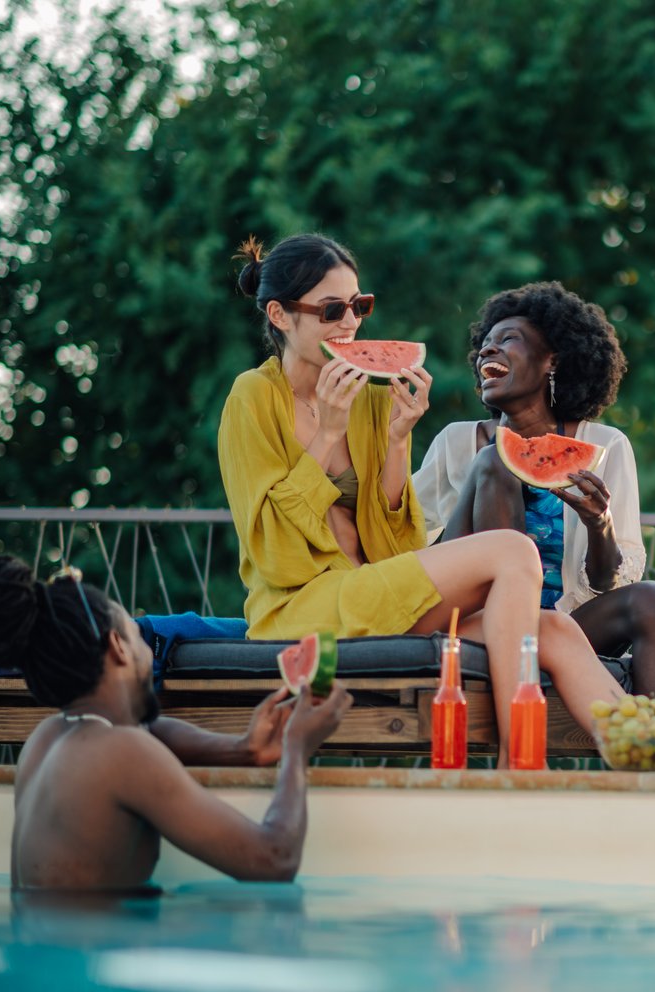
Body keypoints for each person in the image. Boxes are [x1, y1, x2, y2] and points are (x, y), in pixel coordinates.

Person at [221, 235, 626, 739]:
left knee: (558, 630)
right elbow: (274, 555)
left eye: (359, 305)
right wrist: (326, 432)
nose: (351, 323)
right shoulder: (254, 398)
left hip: (379, 599)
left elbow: (398, 546)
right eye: (332, 310)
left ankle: (653, 748)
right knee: (512, 550)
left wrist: (395, 440)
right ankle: (518, 760)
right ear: (280, 315)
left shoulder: (369, 398)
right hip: (302, 611)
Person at [0, 555, 351, 890]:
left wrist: (241, 748)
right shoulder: (119, 754)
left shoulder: (50, 737)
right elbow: (274, 860)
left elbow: (147, 732)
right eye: (136, 632)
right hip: (78, 978)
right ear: (118, 646)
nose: (146, 647)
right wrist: (298, 749)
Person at [414, 282, 655, 703]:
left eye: (508, 340)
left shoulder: (606, 446)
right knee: (493, 459)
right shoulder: (456, 442)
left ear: (551, 360)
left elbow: (610, 579)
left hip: (565, 626)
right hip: (476, 623)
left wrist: (599, 524)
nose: (488, 350)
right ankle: (509, 652)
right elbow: (407, 540)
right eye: (485, 344)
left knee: (651, 596)